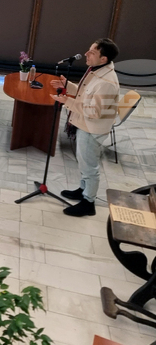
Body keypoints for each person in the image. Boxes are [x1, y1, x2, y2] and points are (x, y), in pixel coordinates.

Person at [52, 38, 121, 217]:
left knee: (89, 166)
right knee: (83, 162)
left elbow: (94, 112)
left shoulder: (107, 82)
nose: (86, 54)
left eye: (92, 52)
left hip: (92, 129)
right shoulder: (96, 70)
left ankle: (88, 202)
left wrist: (66, 101)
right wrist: (68, 86)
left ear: (103, 59)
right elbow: (86, 95)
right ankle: (83, 190)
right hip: (85, 124)